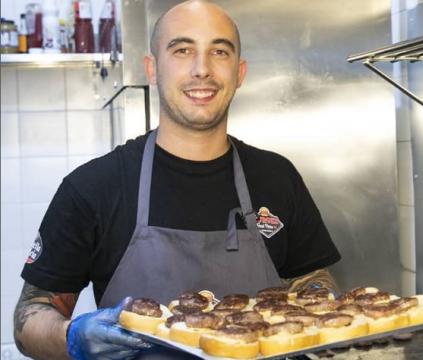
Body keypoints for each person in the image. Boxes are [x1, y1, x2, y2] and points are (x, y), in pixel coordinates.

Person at [13, 1, 341, 359]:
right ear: (152, 69)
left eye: (219, 51)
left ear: (240, 71)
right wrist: (71, 337)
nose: (202, 69)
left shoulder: (278, 177)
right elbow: (30, 316)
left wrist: (323, 307)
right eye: (182, 50)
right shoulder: (92, 187)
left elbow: (314, 280)